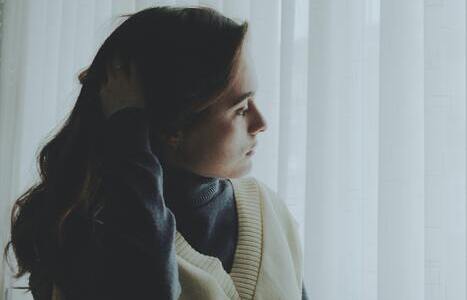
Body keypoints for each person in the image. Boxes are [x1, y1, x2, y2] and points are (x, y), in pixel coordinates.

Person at [3, 6, 307, 300]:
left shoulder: (270, 212)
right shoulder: (92, 229)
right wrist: (128, 129)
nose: (261, 123)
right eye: (240, 109)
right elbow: (149, 289)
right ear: (172, 128)